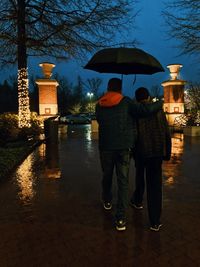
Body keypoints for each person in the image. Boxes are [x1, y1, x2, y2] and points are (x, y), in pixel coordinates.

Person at [95, 78, 163, 231]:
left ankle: (107, 199)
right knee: (123, 181)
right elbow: (145, 110)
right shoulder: (126, 102)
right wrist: (160, 103)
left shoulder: (99, 105)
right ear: (120, 89)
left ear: (108, 88)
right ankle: (121, 219)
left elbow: (100, 122)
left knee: (107, 175)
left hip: (106, 147)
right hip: (124, 148)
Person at [130, 87, 171, 232]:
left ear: (137, 98)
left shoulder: (136, 113)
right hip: (157, 152)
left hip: (141, 152)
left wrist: (132, 152)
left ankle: (138, 200)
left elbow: (134, 134)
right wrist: (167, 153)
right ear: (148, 97)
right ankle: (155, 221)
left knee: (140, 177)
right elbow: (167, 132)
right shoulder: (160, 111)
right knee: (155, 186)